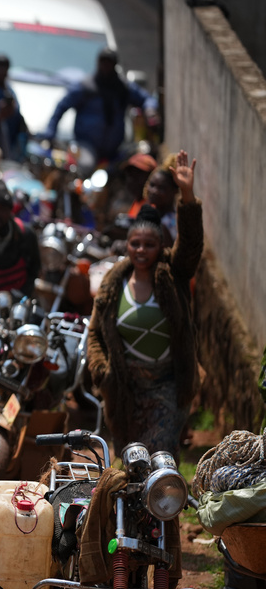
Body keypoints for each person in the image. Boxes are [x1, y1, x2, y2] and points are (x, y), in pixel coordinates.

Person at [87, 151, 201, 459]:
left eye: (149, 245)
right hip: (125, 389)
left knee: (159, 456)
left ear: (161, 246)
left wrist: (187, 196)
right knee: (132, 462)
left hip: (168, 385)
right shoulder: (113, 283)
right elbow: (95, 332)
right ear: (127, 245)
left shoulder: (173, 275)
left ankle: (166, 491)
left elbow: (191, 246)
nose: (141, 250)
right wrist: (102, 371)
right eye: (135, 244)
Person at [38, 48, 158, 163]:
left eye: (109, 62)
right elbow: (61, 106)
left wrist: (150, 110)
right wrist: (50, 132)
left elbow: (146, 98)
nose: (106, 66)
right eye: (103, 62)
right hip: (86, 146)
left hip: (115, 150)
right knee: (86, 164)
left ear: (115, 65)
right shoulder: (86, 86)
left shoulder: (123, 88)